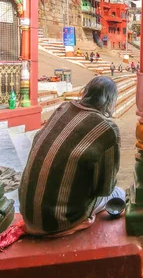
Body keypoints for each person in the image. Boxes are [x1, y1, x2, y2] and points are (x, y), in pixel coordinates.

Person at [18, 76, 123, 236]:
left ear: (85, 93)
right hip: (59, 220)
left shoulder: (63, 108)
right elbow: (105, 188)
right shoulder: (107, 129)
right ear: (111, 101)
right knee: (119, 193)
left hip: (27, 212)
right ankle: (78, 222)